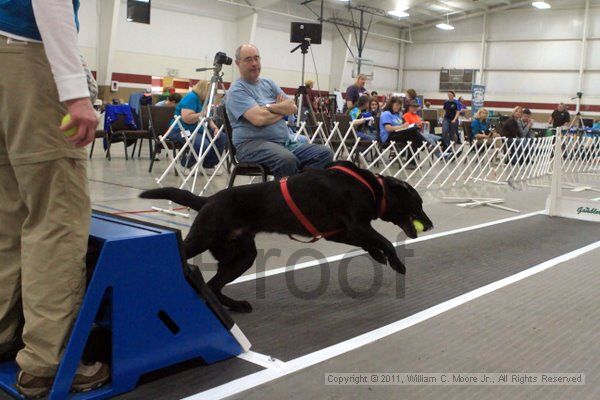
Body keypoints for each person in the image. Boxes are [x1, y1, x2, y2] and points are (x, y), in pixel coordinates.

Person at [0, 1, 110, 397]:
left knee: (7, 219)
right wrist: (75, 92)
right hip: (30, 59)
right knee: (56, 218)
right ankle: (46, 363)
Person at [225, 44, 332, 179]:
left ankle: (300, 190)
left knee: (324, 153)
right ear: (238, 63)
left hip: (283, 143)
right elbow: (259, 119)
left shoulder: (269, 84)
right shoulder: (237, 90)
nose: (254, 63)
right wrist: (281, 109)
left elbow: (292, 107)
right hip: (251, 146)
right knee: (286, 159)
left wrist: (269, 107)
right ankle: (286, 196)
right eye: (248, 59)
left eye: (257, 58)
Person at [170, 80, 227, 169]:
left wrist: (215, 128)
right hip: (181, 130)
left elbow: (208, 118)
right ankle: (185, 165)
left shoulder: (205, 100)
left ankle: (208, 166)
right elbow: (186, 118)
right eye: (210, 91)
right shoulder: (191, 97)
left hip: (198, 130)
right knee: (202, 143)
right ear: (204, 90)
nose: (211, 94)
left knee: (221, 137)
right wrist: (202, 113)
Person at [379, 96, 424, 167]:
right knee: (413, 133)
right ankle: (425, 145)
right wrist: (402, 126)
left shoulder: (398, 115)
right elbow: (388, 128)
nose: (398, 107)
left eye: (399, 105)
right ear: (391, 104)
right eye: (396, 105)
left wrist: (405, 125)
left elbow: (401, 126)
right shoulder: (386, 114)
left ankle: (411, 162)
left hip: (398, 134)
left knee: (413, 136)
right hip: (389, 136)